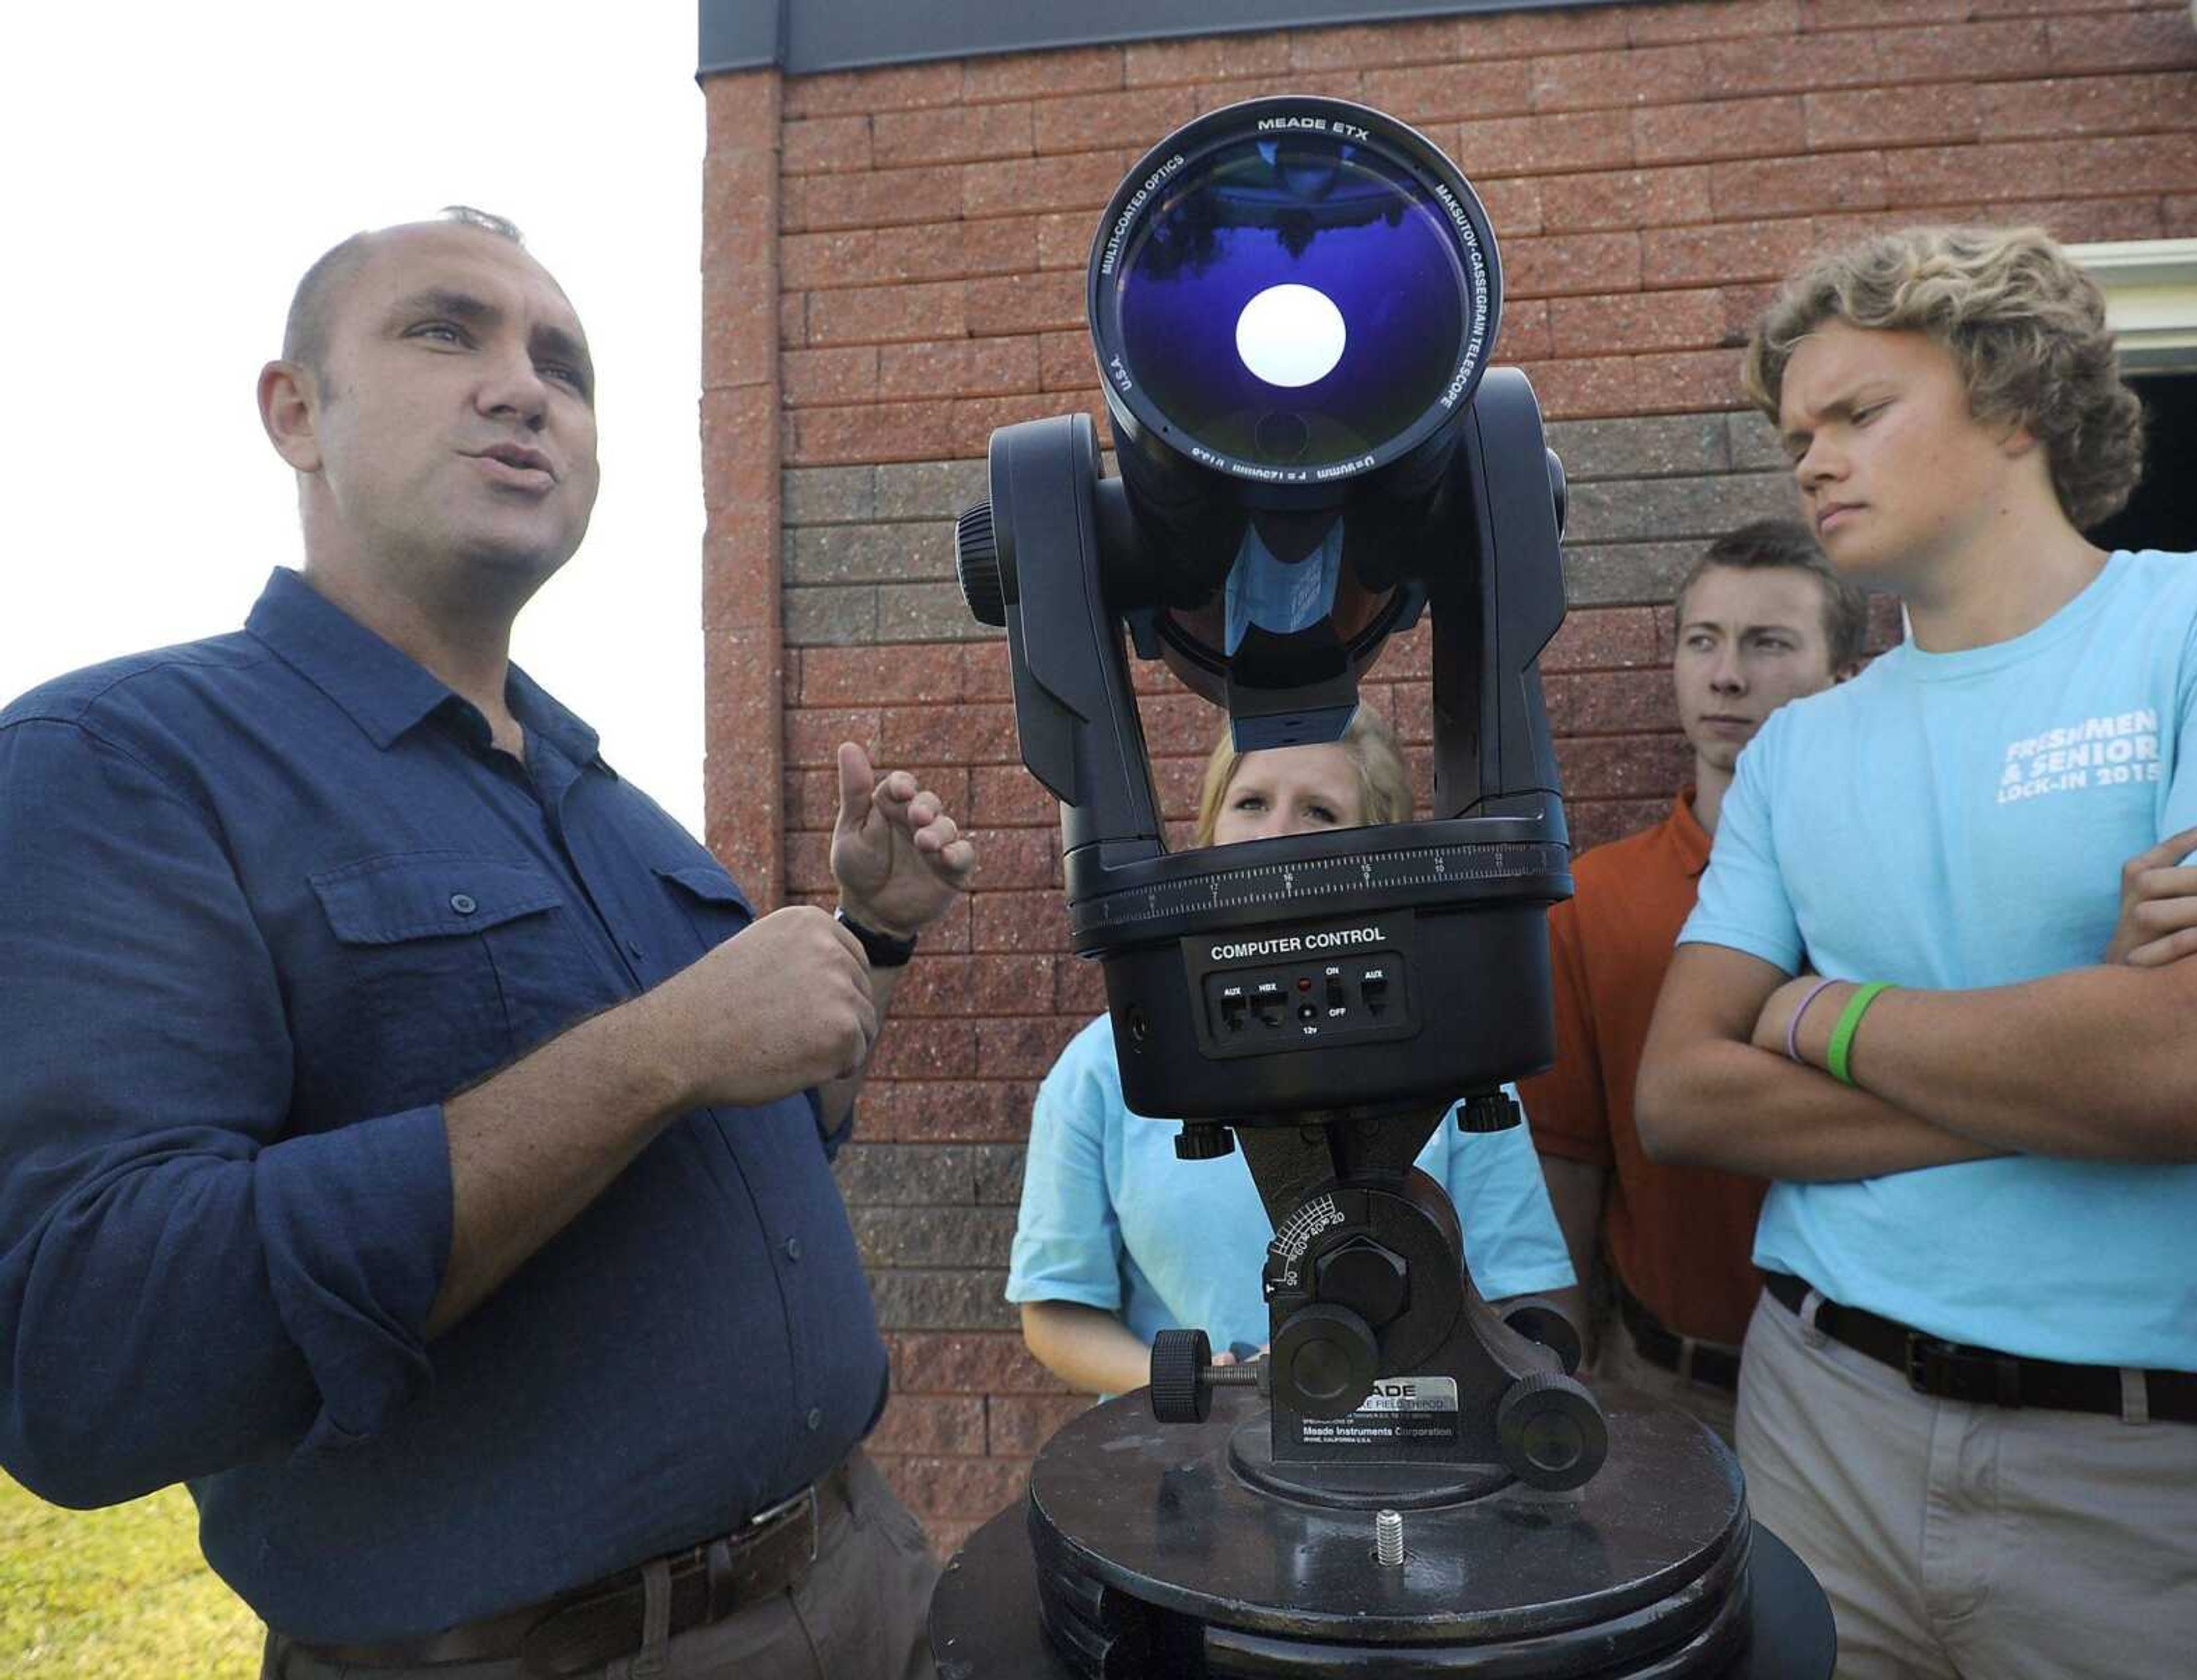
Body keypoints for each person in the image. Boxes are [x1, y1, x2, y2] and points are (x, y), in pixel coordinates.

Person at [0, 208, 973, 1680]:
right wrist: (659, 1048)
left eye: (565, 366)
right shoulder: (124, 761)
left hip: (869, 1578)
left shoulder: (611, 800)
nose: (524, 387)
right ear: (296, 411)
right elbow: (92, 1351)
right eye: (444, 330)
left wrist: (870, 943)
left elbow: (751, 1148)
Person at [1636, 225, 2197, 1680]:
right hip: (1818, 1415)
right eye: (1793, 433)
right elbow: (1682, 1096)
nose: (1811, 459)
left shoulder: (2180, 634)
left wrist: (1811, 1007)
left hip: (2137, 1482)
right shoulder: (1800, 747)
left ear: (2013, 399)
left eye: (1857, 414)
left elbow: (2172, 1071)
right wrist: (2066, 1072)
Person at [1008, 710, 1577, 1398]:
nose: (1276, 837)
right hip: (1185, 1453)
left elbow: (1529, 1298)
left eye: (1319, 812)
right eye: (1251, 803)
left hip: (1404, 1450)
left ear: (1382, 851)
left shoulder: (1460, 1058)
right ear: (1210, 824)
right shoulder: (1107, 1068)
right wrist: (1209, 1388)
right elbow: (1056, 1311)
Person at [1521, 519, 1865, 1440]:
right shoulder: (1593, 899)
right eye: (1702, 641)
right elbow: (1564, 1161)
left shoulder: (1899, 890)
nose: (1726, 676)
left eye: (1769, 644)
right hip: (1665, 1385)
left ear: (1845, 677)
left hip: (1875, 1385)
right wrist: (1564, 1368)